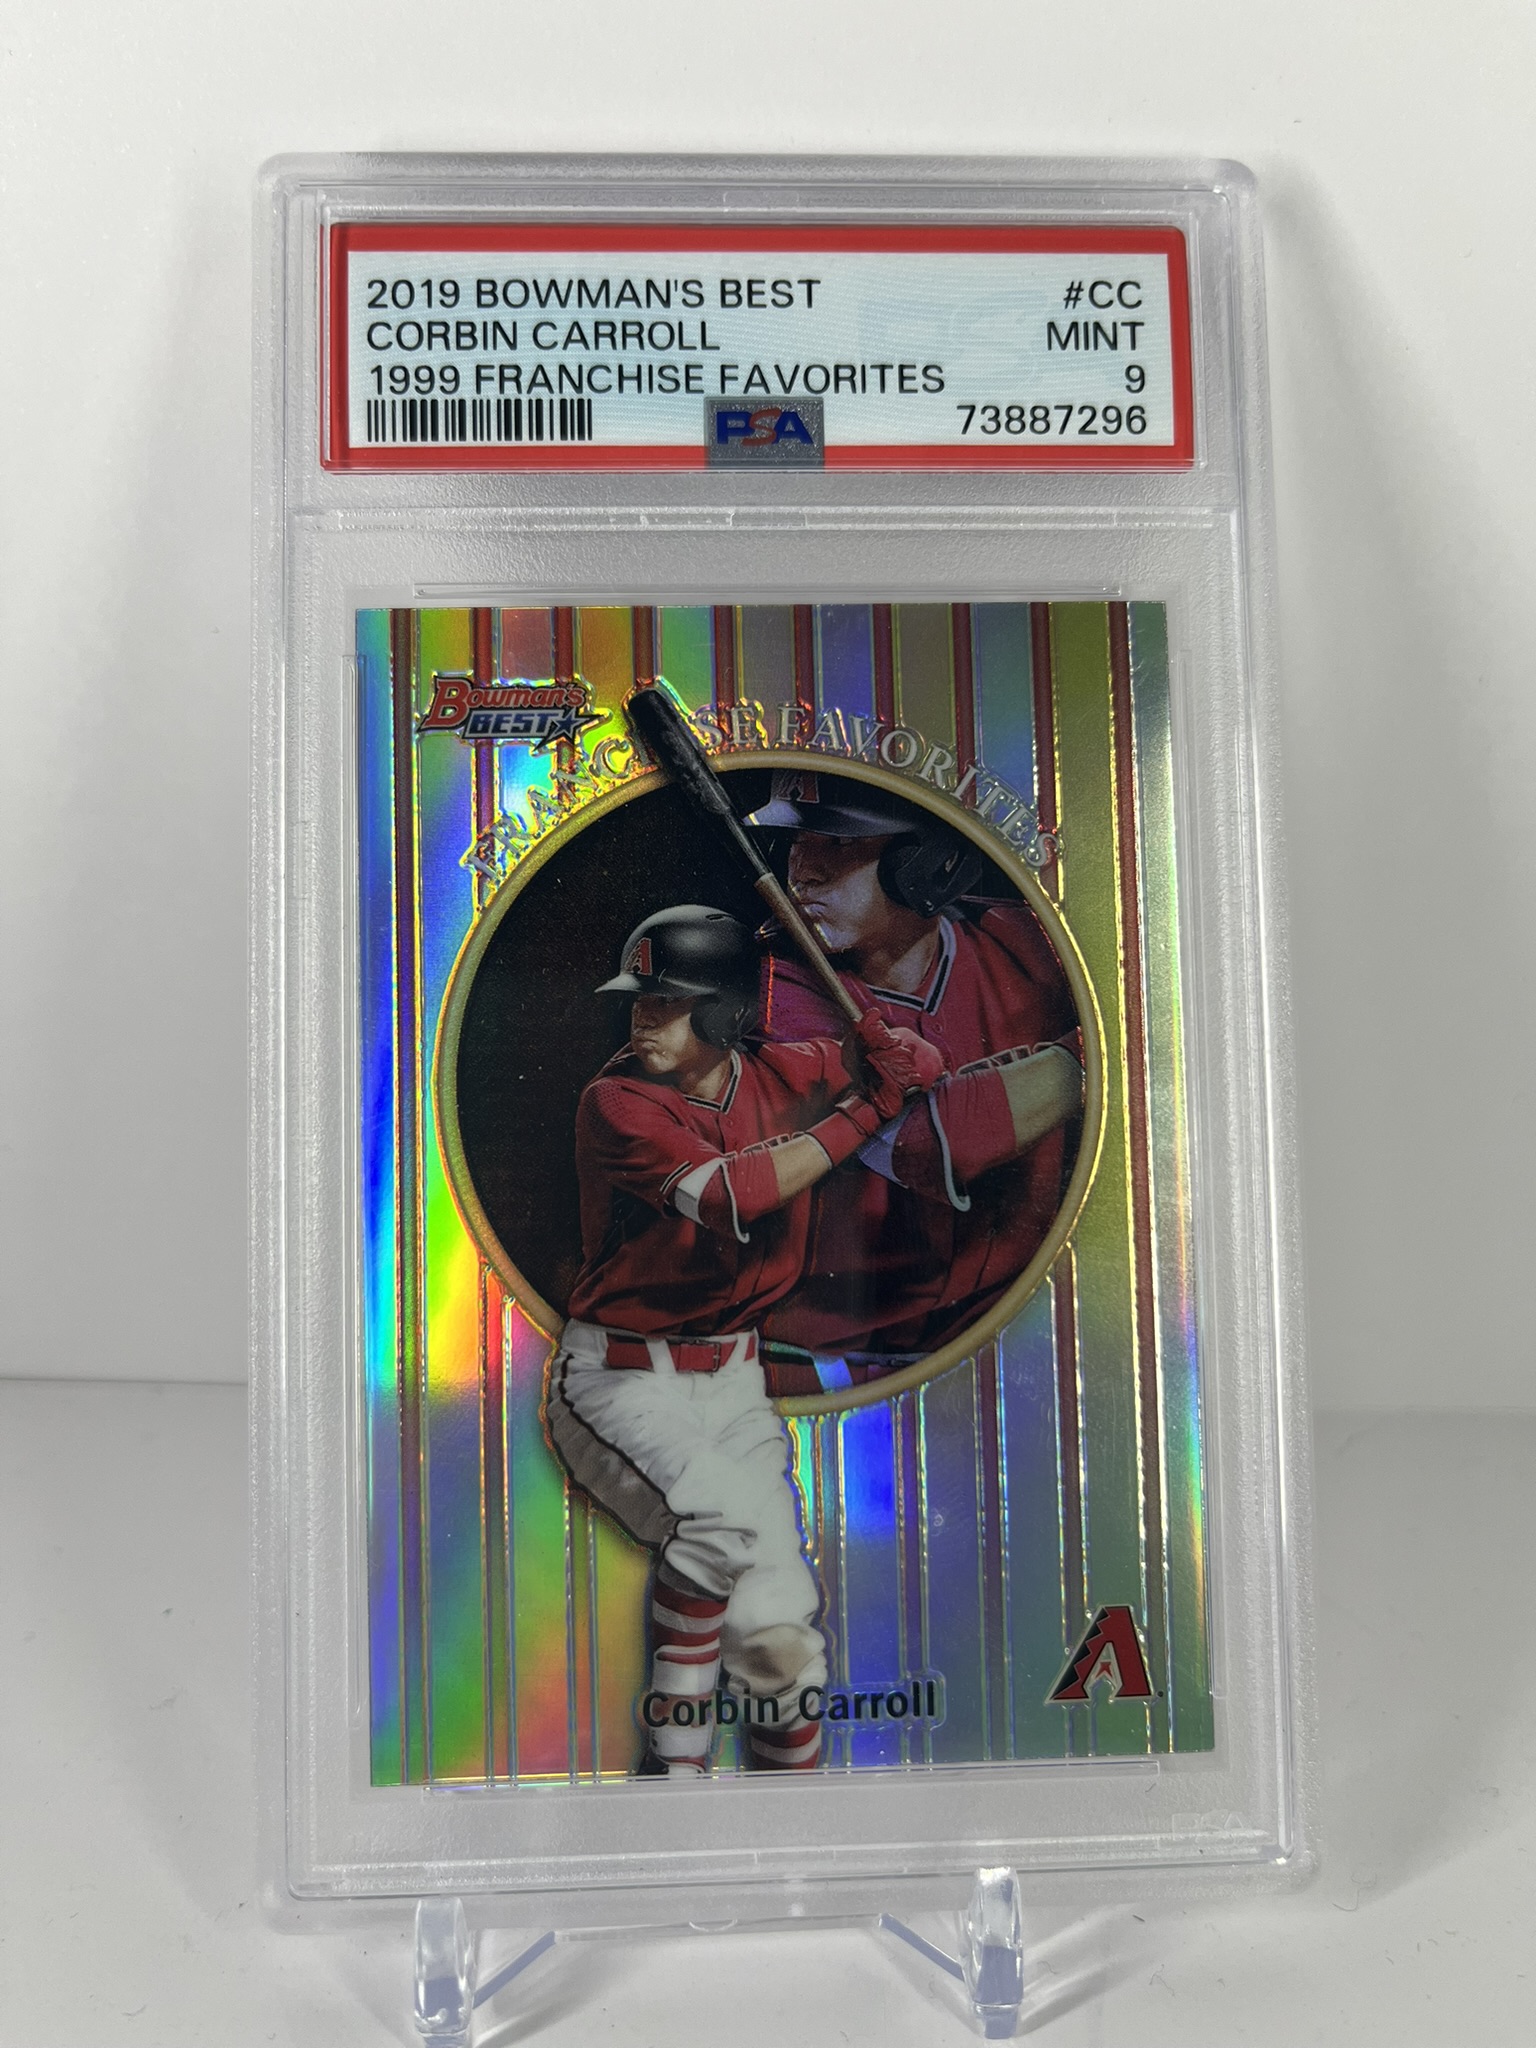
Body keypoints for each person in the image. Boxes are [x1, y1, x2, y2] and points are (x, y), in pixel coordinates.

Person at [545, 902, 942, 1775]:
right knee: (719, 1524)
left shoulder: (791, 1070)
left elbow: (912, 1058)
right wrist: (869, 1108)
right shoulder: (616, 1101)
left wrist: (905, 1054)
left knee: (778, 1634)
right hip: (618, 1381)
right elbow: (733, 1195)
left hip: (734, 1383)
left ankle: (791, 1810)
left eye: (667, 1002)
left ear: (725, 1013)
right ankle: (674, 1770)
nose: (643, 1020)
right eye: (640, 1001)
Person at [747, 771, 1084, 1388]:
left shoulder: (1028, 944)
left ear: (926, 861)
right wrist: (1080, 1061)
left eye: (839, 844)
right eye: (797, 842)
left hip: (1017, 1331)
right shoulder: (772, 989)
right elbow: (926, 1143)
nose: (803, 873)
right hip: (834, 1360)